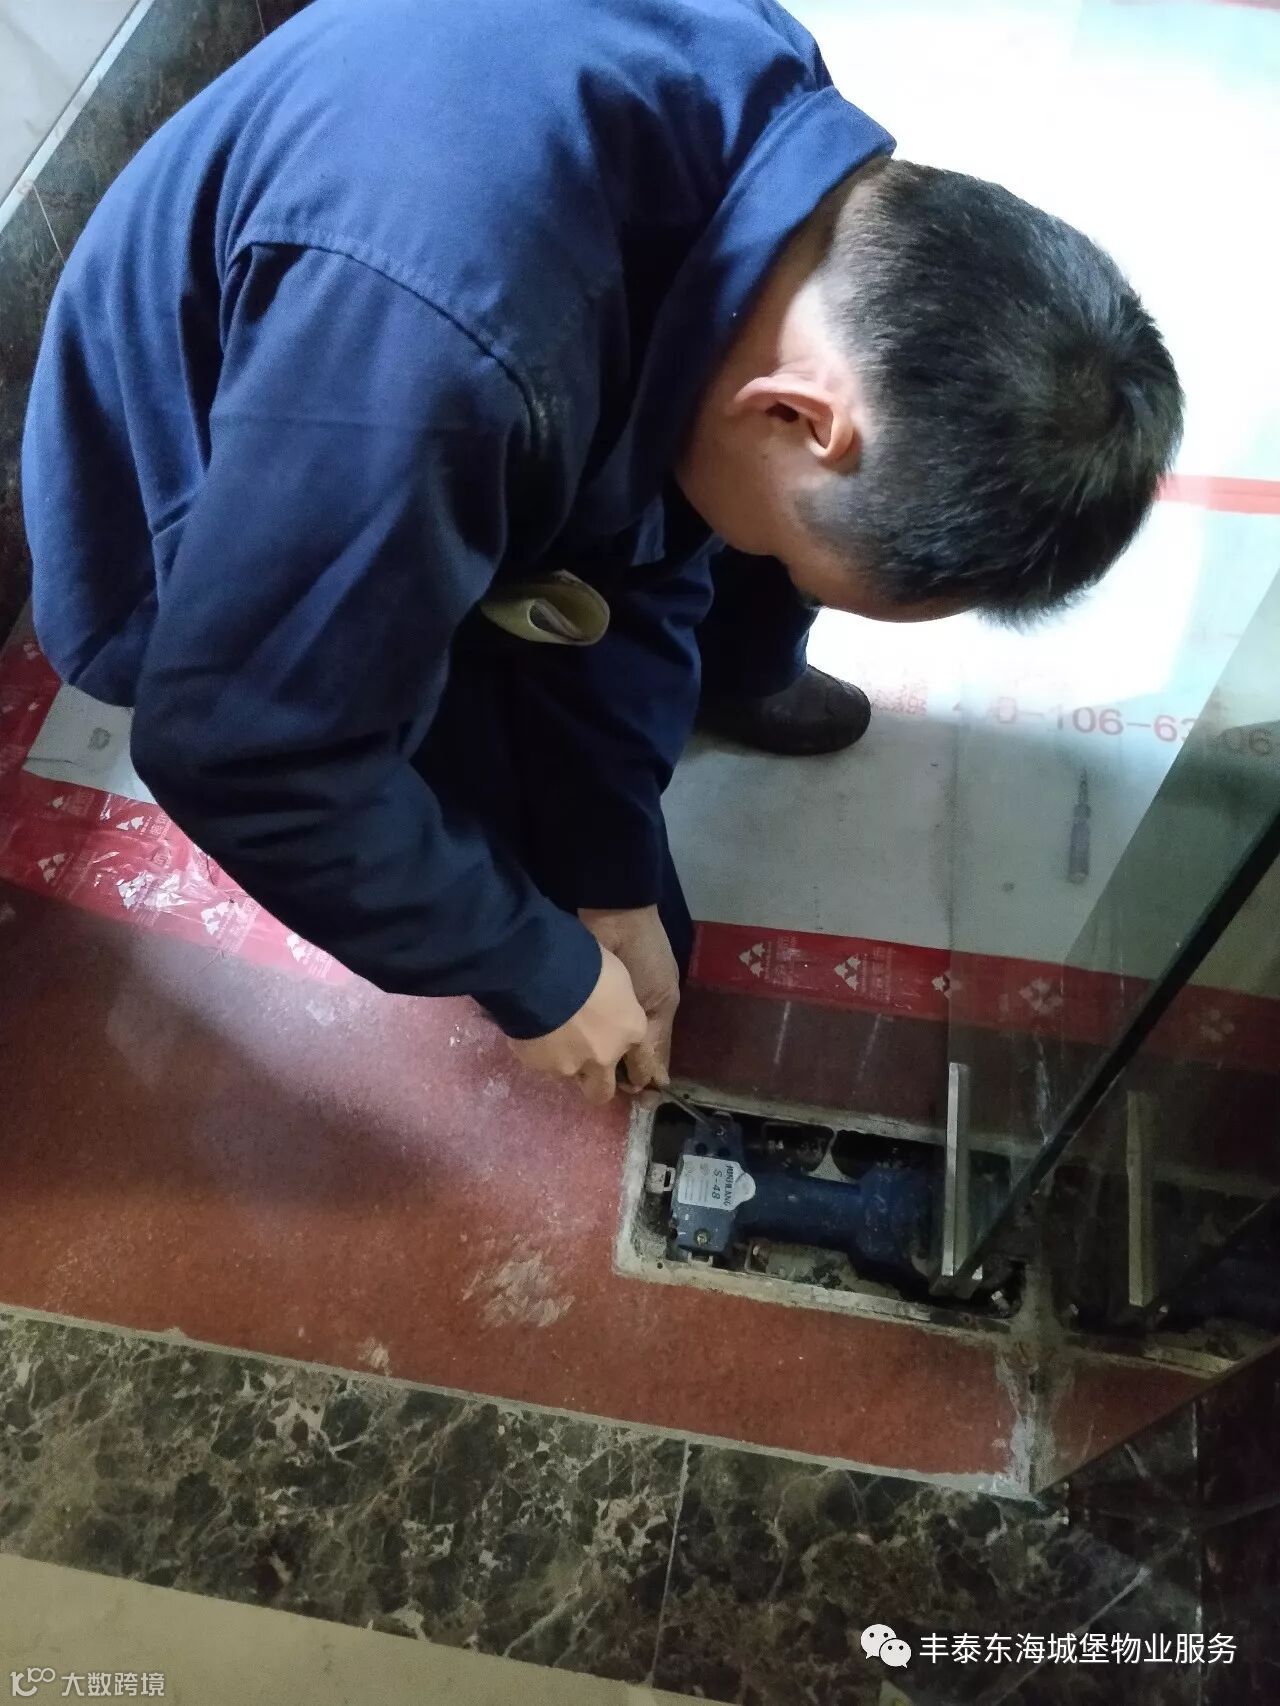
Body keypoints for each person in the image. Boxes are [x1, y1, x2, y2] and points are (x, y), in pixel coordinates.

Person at [22, 0, 1183, 1106]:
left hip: (432, 337)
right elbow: (244, 749)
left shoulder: (796, 173)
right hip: (193, 454)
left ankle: (725, 671)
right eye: (787, 558)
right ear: (796, 412)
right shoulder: (441, 368)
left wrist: (609, 862)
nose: (766, 563)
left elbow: (653, 524)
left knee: (613, 867)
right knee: (487, 875)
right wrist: (526, 964)